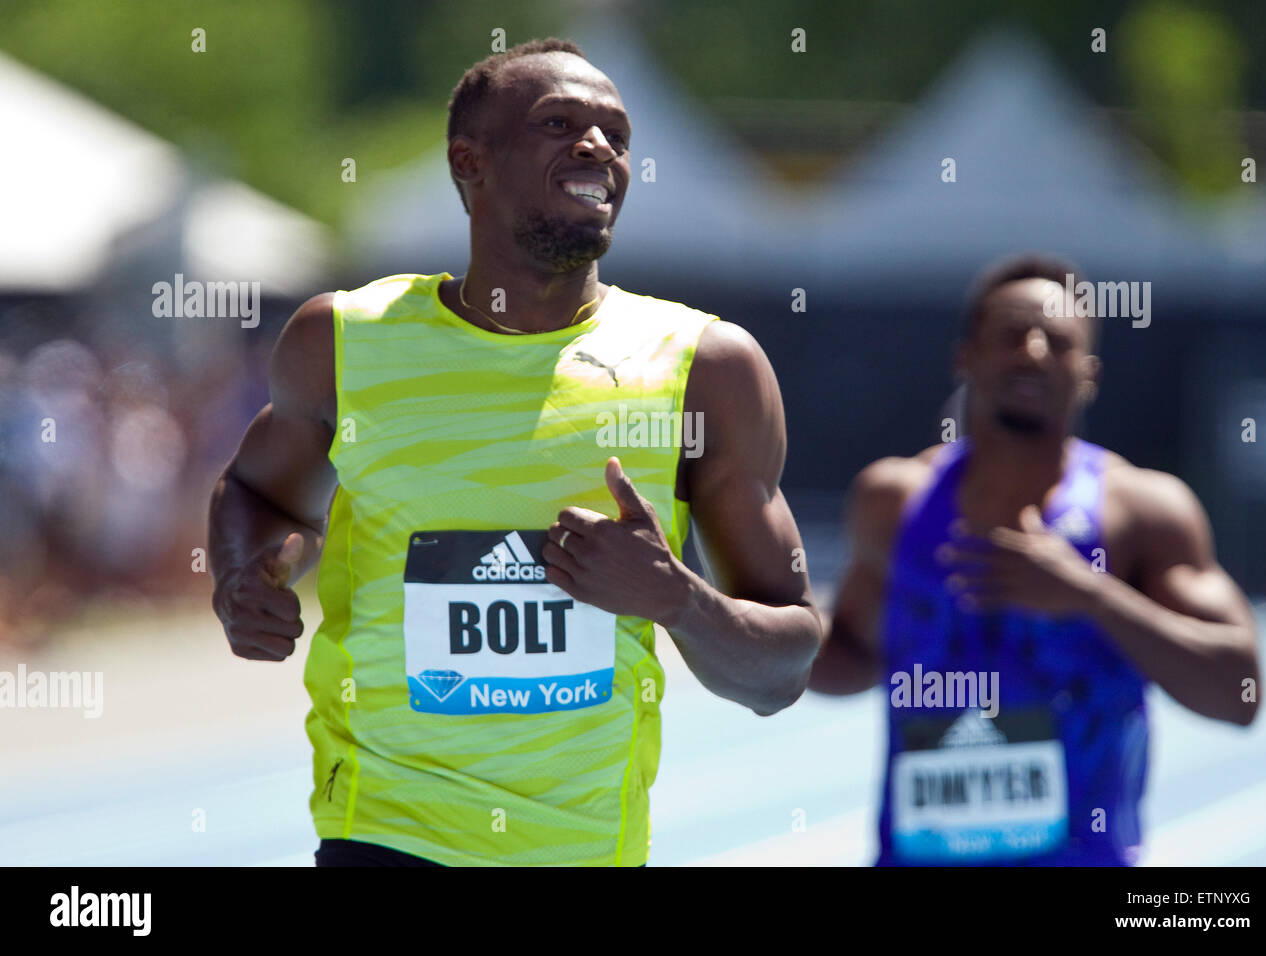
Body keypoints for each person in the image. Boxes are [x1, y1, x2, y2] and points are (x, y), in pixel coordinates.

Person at [207, 38, 821, 867]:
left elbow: (781, 671)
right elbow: (257, 492)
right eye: (559, 123)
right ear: (471, 162)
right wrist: (243, 579)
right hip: (384, 832)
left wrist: (675, 597)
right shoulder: (344, 341)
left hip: (584, 848)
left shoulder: (705, 368)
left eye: (616, 133)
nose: (599, 147)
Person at [810, 254, 1261, 866]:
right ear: (965, 355)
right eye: (1011, 333)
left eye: (1058, 340)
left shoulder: (1146, 511)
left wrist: (1090, 594)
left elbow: (1240, 693)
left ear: (1089, 374)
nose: (1033, 351)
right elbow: (848, 665)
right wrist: (741, 617)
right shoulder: (892, 501)